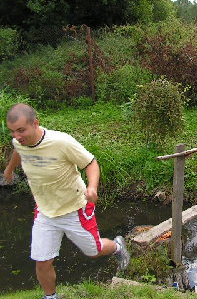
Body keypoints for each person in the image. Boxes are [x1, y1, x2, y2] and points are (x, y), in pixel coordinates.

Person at [2, 103, 130, 299]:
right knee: (42, 261)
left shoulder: (61, 142)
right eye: (12, 132)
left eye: (21, 130)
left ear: (36, 123)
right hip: (45, 211)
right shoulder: (19, 142)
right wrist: (10, 169)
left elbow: (90, 163)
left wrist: (92, 187)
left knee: (93, 251)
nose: (17, 136)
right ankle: (50, 296)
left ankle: (117, 246)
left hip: (75, 209)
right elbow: (18, 151)